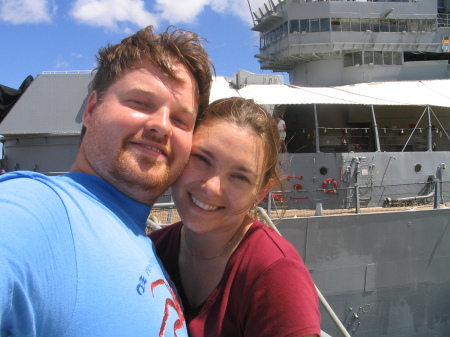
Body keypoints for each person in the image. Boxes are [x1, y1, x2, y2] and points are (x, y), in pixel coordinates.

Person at [0, 26, 213, 336]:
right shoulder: (36, 213)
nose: (162, 126)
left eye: (181, 120)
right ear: (90, 110)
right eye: (140, 102)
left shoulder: (147, 248)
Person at [150, 97, 321, 337]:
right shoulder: (150, 249)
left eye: (240, 177)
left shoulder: (275, 275)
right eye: (202, 159)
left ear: (260, 192)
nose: (211, 187)